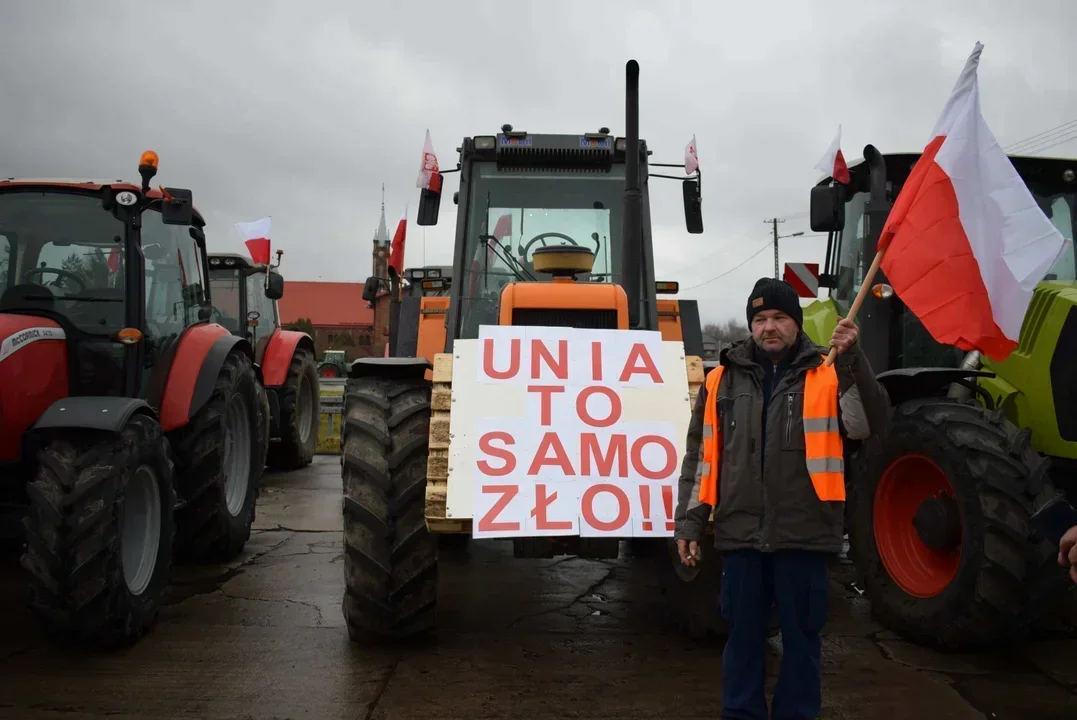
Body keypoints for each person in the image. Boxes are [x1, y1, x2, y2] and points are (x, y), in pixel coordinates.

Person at [673, 277, 891, 720]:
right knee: (743, 641)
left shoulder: (829, 373)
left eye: (778, 318)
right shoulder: (720, 381)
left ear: (796, 322)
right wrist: (690, 522)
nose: (768, 327)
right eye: (760, 319)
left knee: (802, 643)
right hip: (740, 536)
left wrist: (854, 361)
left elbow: (868, 425)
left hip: (804, 537)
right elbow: (700, 457)